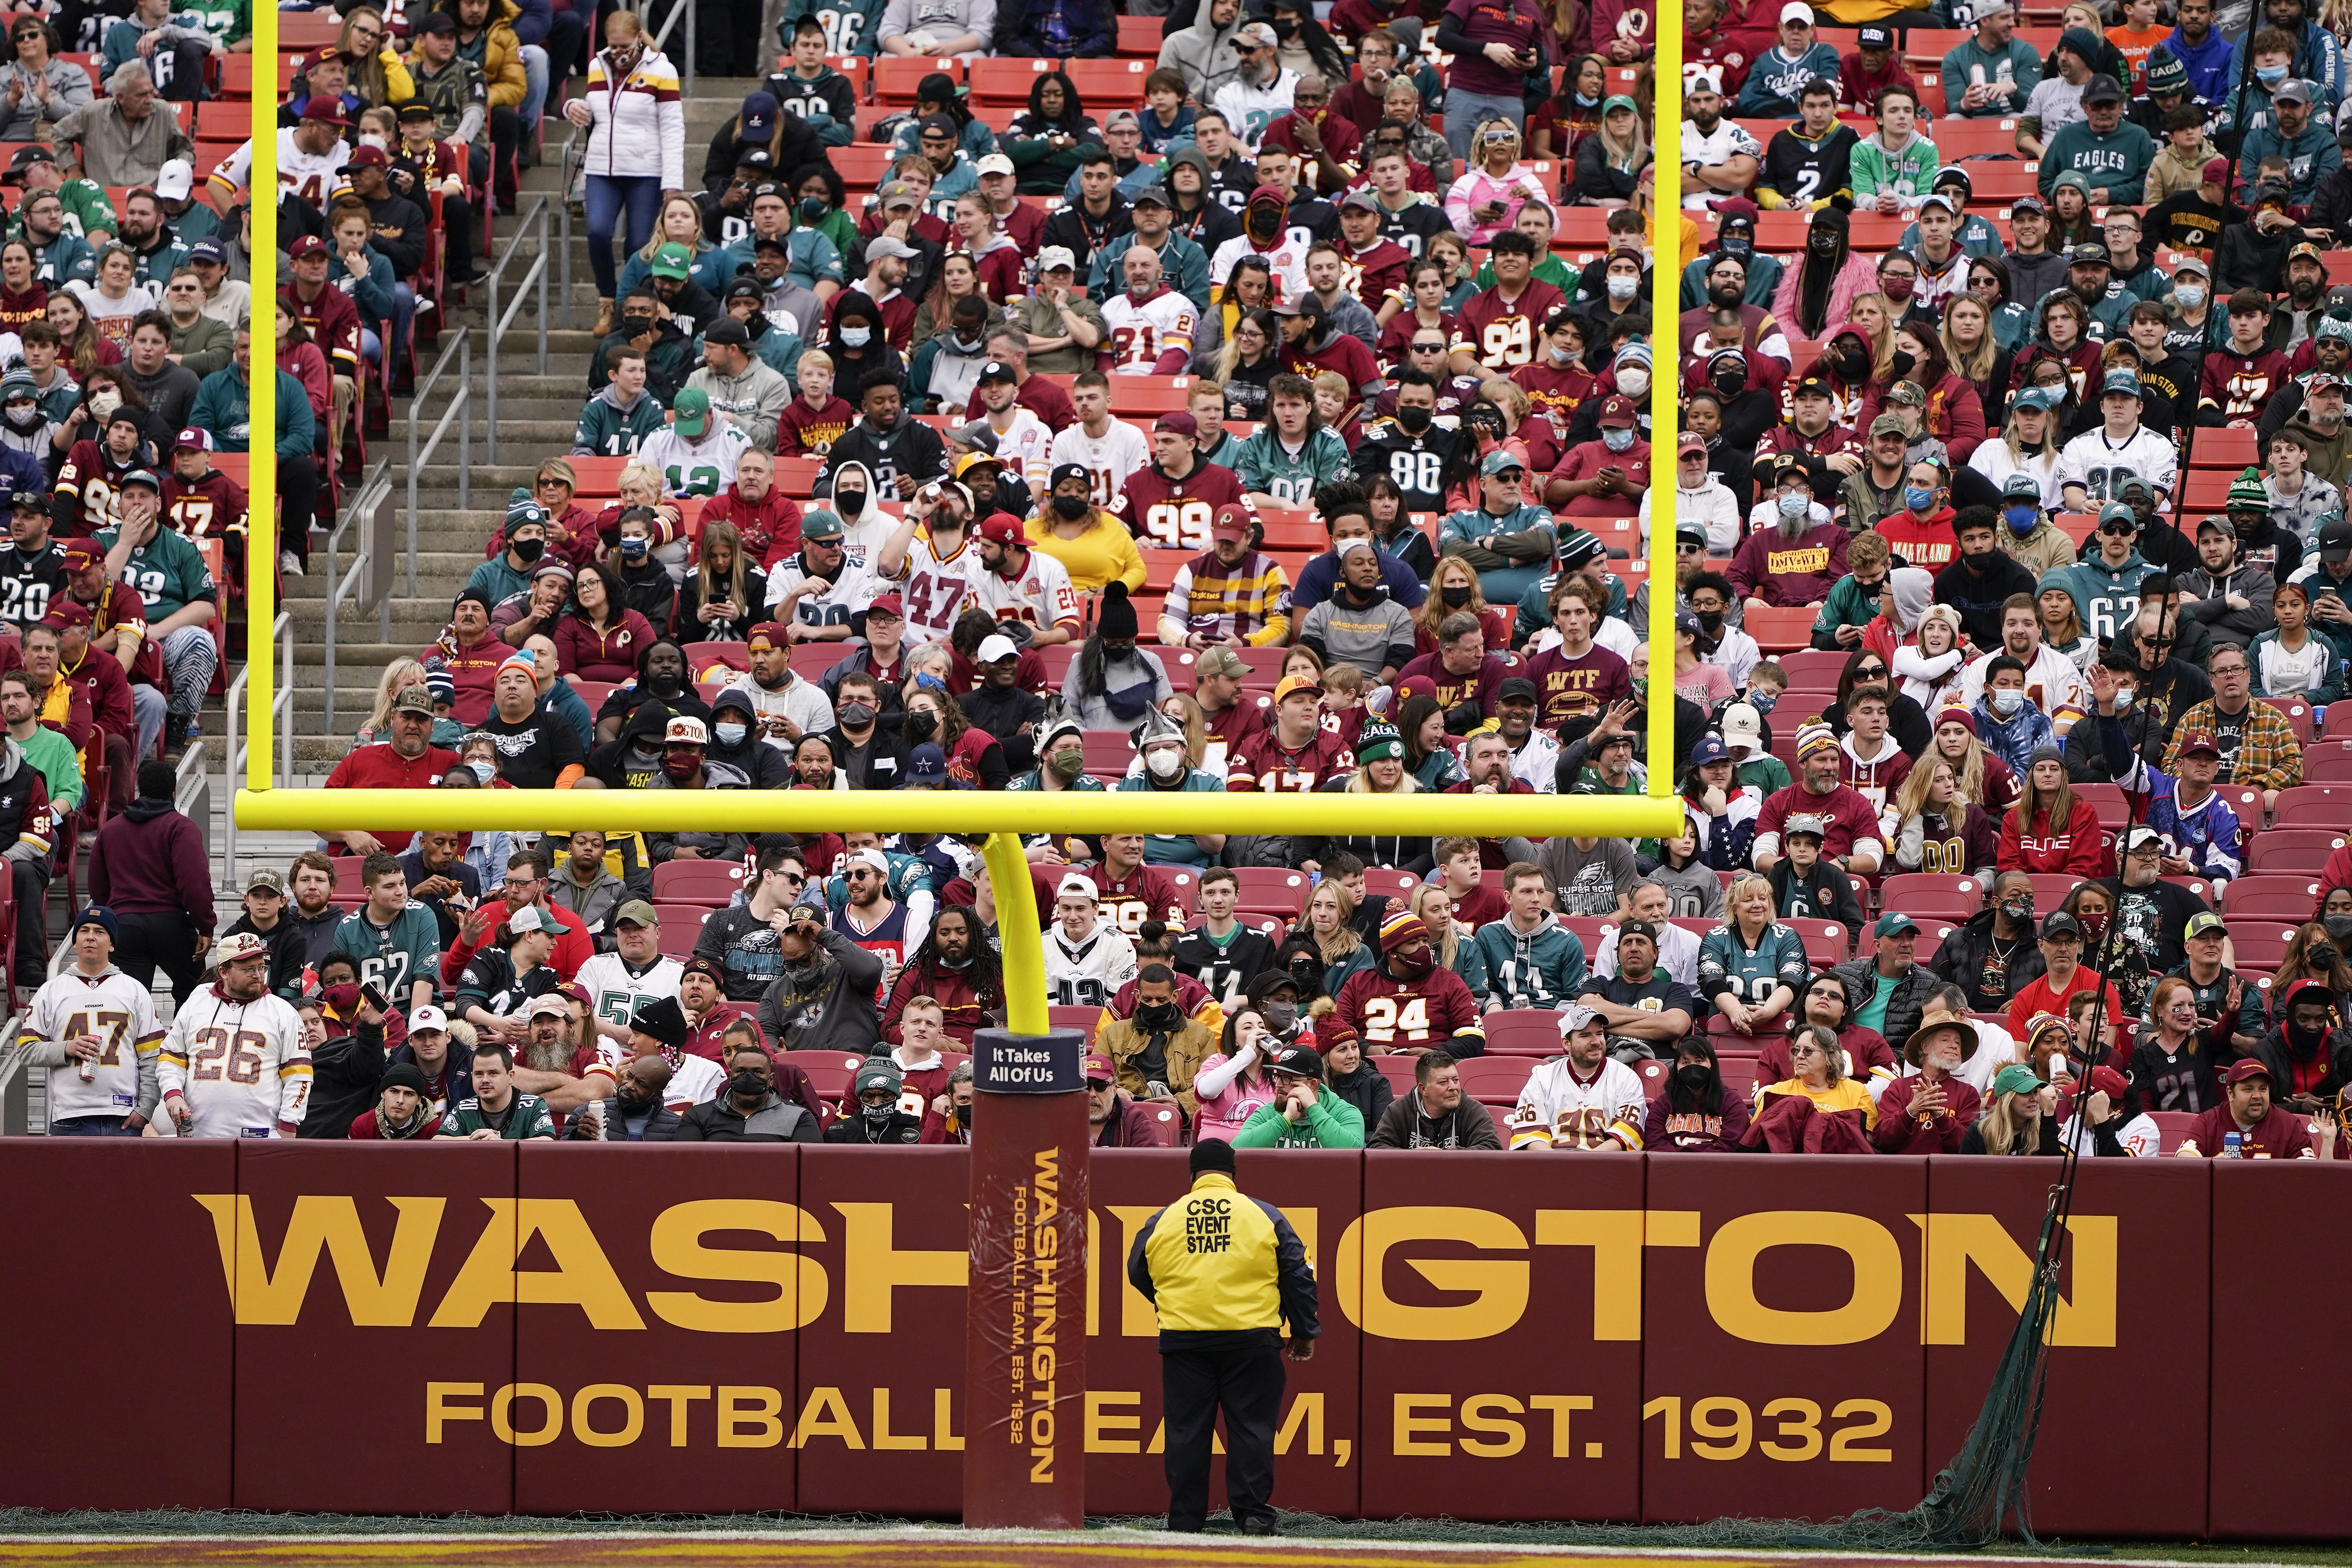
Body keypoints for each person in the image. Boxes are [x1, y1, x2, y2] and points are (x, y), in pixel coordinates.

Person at [1128, 1136, 1318, 1538]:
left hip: (1185, 1341)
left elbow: (1137, 1271)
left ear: (1193, 1174)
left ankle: (1184, 1522)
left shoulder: (1164, 1218)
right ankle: (1253, 1517)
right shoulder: (1263, 1215)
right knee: (1252, 1430)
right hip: (1252, 1340)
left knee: (1185, 1433)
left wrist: (1172, 1304)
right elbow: (1298, 1275)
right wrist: (1303, 1331)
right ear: (1233, 1173)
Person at [22, 905, 161, 1135]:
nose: (90, 938)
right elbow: (26, 1050)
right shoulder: (51, 990)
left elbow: (152, 1055)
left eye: (100, 932)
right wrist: (66, 1048)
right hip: (69, 1116)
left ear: (113, 943)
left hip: (123, 1116)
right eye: (84, 931)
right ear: (75, 942)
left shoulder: (134, 990)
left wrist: (146, 1109)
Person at [157, 932, 310, 1138]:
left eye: (262, 967)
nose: (258, 975)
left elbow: (299, 1074)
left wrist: (289, 1124)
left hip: (261, 1135)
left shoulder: (283, 1012)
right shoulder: (195, 1005)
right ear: (224, 971)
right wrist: (173, 1094)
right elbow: (171, 1058)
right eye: (249, 969)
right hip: (198, 1134)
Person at [82, 757, 196, 1000]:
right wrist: (205, 925)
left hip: (125, 926)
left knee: (128, 1000)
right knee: (194, 996)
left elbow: (97, 886)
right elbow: (193, 882)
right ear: (174, 794)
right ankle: (184, 1039)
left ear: (138, 790)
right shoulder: (181, 827)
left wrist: (116, 914)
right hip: (172, 924)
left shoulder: (111, 829)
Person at [1507, 1006, 1646, 1150]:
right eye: (1586, 1036)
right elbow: (1530, 1137)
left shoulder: (1626, 1077)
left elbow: (1626, 1136)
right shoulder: (1543, 1078)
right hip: (1552, 1166)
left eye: (1599, 1034)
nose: (1596, 1042)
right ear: (1567, 1043)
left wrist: (1585, 1167)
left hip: (1607, 1166)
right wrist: (1561, 1168)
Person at [1875, 1015, 1986, 1152]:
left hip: (1948, 1171)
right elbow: (1882, 1140)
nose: (1954, 1046)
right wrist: (1911, 1111)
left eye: (1958, 1042)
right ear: (1925, 1047)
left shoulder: (1968, 1094)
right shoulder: (1899, 1088)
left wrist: (1940, 1116)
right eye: (1945, 1040)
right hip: (1904, 1170)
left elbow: (1967, 1146)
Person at [670, 1041, 821, 1141]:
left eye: (757, 1072)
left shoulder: (799, 1118)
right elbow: (684, 1166)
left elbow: (811, 1172)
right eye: (741, 1071)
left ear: (772, 1079)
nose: (748, 1078)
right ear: (730, 1075)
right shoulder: (699, 1116)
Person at [1961, 1062, 2061, 1154]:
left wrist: (2049, 1113)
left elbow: (2053, 1169)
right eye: (2026, 1092)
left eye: (2035, 1092)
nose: (2034, 1099)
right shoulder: (1980, 1132)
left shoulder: (2046, 1127)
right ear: (2007, 1098)